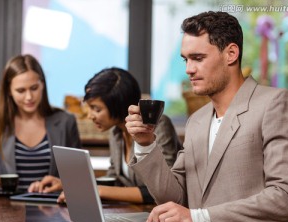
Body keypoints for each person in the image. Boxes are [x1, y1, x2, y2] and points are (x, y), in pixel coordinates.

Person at [125, 11, 288, 222]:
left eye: (198, 58)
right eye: (186, 59)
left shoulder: (276, 104)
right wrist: (145, 144)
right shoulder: (197, 120)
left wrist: (196, 218)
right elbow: (175, 199)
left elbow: (286, 199)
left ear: (231, 54)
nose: (188, 69)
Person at [35, 67, 182, 204]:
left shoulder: (157, 126)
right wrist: (70, 185)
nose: (91, 115)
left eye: (96, 109)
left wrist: (98, 191)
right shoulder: (116, 132)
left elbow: (161, 190)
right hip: (136, 214)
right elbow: (114, 180)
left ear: (118, 107)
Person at [0, 54, 81, 195]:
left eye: (34, 88)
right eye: (21, 91)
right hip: (5, 211)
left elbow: (78, 178)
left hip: (53, 210)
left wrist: (62, 185)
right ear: (9, 91)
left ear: (43, 84)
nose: (29, 97)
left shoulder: (65, 122)